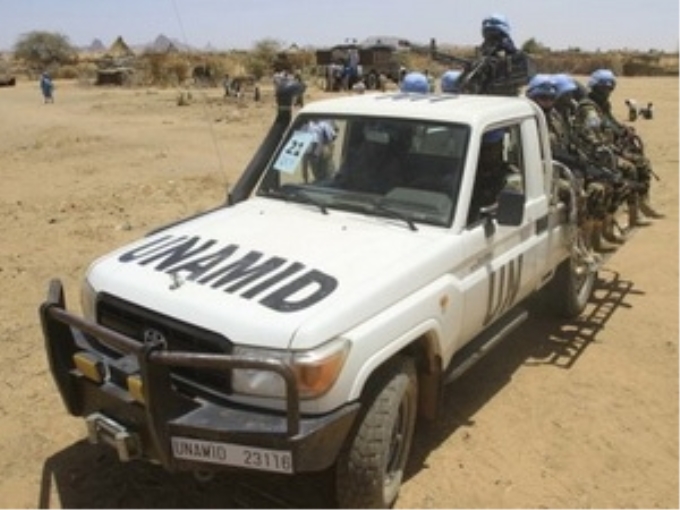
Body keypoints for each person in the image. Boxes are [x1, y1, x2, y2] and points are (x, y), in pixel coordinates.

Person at [574, 69, 661, 226]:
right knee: (630, 169)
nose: (606, 92)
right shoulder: (589, 107)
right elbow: (591, 129)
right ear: (595, 88)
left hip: (608, 147)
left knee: (642, 162)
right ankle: (626, 217)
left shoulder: (602, 105)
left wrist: (623, 130)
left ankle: (640, 206)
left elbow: (610, 122)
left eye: (609, 88)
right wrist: (606, 146)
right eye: (603, 88)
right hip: (596, 152)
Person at [335, 122, 407, 194]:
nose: (376, 145)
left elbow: (395, 193)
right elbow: (339, 182)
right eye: (372, 139)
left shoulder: (393, 165)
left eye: (381, 140)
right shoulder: (354, 158)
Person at [467, 128, 509, 224]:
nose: (487, 153)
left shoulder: (506, 174)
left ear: (500, 148)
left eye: (490, 148)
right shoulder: (469, 173)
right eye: (484, 149)